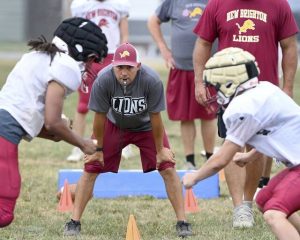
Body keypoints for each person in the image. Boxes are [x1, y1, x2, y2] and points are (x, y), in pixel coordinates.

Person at [63, 43, 193, 238]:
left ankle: (183, 222)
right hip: (113, 126)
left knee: (167, 166)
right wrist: (98, 150)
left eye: (129, 67)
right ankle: (74, 222)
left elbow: (156, 118)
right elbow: (98, 118)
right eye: (120, 67)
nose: (124, 72)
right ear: (113, 65)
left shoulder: (151, 81)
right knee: (91, 168)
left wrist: (160, 150)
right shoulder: (104, 80)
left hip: (146, 127)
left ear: (138, 66)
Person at [192, 0, 299, 228]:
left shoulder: (278, 4)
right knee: (232, 143)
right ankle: (239, 207)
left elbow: (289, 46)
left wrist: (288, 86)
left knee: (257, 146)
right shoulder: (217, 3)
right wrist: (199, 81)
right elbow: (203, 43)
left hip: (264, 91)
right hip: (229, 90)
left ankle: (249, 201)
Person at [0, 17, 108, 228]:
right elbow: (52, 121)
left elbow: (22, 114)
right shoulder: (66, 65)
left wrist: (55, 133)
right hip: (4, 134)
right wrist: (82, 143)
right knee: (4, 212)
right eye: (91, 59)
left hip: (5, 129)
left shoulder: (36, 56)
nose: (89, 65)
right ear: (83, 52)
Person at [183, 47, 300, 240]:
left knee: (274, 213)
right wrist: (248, 156)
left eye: (217, 84)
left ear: (230, 82)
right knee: (263, 200)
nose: (216, 91)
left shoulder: (243, 107)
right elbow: (272, 134)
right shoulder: (264, 89)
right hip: (295, 165)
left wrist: (195, 177)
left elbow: (222, 158)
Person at [147, 0, 217, 170]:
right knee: (185, 116)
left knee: (209, 115)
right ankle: (190, 161)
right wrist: (163, 48)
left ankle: (210, 160)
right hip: (180, 68)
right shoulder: (173, 2)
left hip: (209, 69)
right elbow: (153, 21)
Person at [66, 0, 133, 162]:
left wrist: (123, 56)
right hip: (89, 57)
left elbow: (124, 35)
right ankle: (77, 146)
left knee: (117, 102)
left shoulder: (119, 4)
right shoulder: (81, 5)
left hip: (111, 56)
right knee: (83, 105)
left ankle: (124, 145)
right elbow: (74, 33)